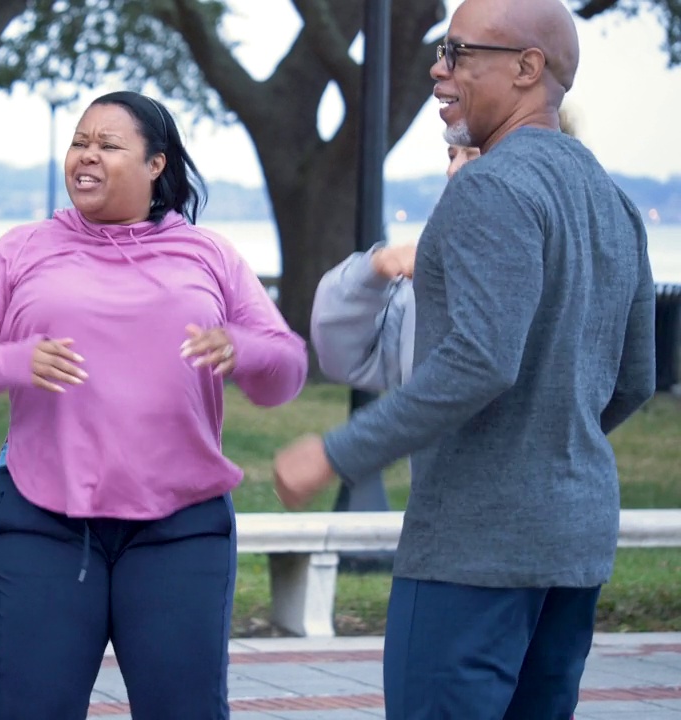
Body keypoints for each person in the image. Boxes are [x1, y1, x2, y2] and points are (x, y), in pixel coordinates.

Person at [272, 0, 656, 717]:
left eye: (457, 53)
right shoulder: (614, 202)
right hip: (574, 546)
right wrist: (548, 446)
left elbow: (478, 361)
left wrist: (338, 451)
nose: (437, 68)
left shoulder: (487, 186)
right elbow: (635, 378)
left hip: (473, 551)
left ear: (527, 69)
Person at [0, 91, 308, 719]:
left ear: (156, 165)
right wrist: (14, 360)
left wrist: (244, 350)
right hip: (44, 519)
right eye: (79, 142)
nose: (86, 156)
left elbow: (285, 371)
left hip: (181, 526)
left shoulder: (208, 255)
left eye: (108, 144)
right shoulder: (25, 248)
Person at [310, 144, 480, 392]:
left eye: (474, 156)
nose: (453, 169)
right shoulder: (427, 280)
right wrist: (371, 272)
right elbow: (344, 361)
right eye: (452, 155)